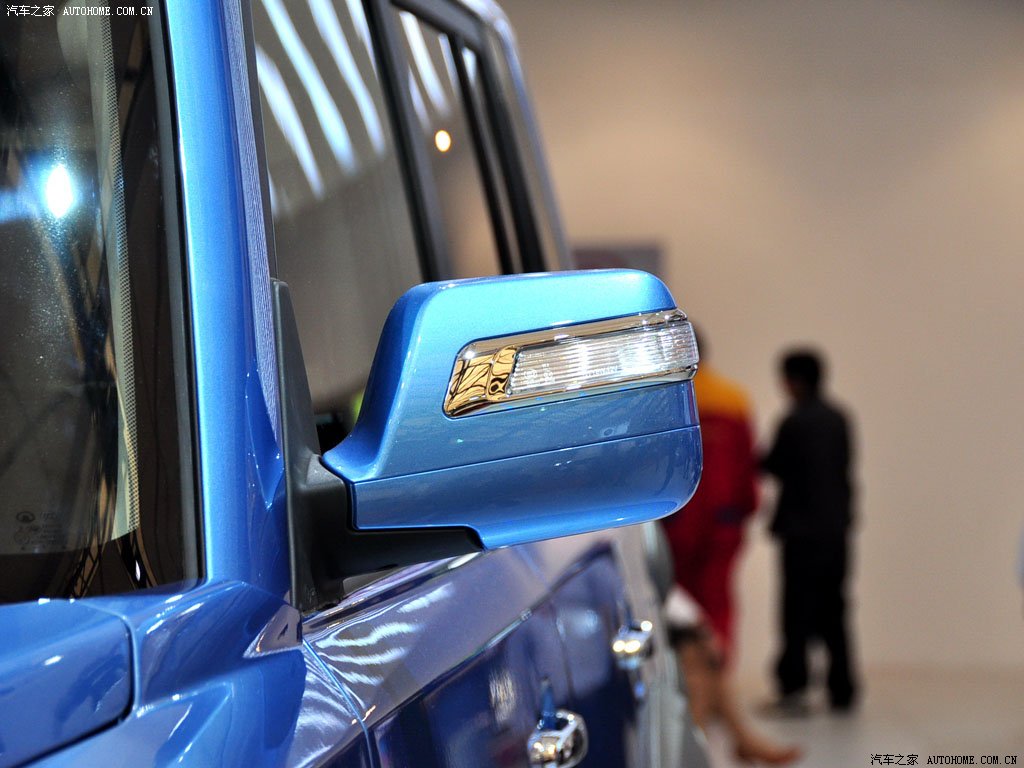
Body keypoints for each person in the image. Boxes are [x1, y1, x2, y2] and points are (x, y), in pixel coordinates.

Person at [662, 331, 800, 765]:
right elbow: (746, 472)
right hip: (723, 526)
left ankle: (701, 713)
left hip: (675, 524)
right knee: (717, 613)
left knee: (682, 622)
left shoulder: (666, 401)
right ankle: (724, 720)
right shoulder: (733, 399)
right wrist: (742, 513)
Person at [762, 349, 859, 713]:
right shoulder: (839, 418)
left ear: (795, 381)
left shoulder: (794, 421)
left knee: (796, 613)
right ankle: (842, 688)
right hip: (835, 532)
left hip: (800, 533)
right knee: (835, 610)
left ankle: (794, 686)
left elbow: (774, 465)